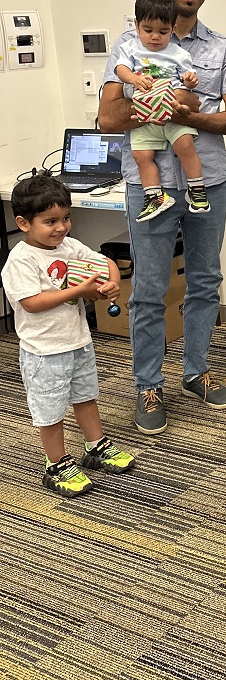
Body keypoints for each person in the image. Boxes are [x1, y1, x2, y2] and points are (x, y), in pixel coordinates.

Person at [99, 0, 226, 435]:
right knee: (148, 289)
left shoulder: (221, 49)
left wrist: (184, 112)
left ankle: (196, 371)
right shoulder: (128, 47)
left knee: (205, 281)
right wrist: (160, 101)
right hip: (150, 184)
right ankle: (148, 384)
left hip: (207, 179)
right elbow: (107, 119)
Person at [1, 176, 135, 497]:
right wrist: (78, 291)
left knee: (86, 396)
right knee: (49, 410)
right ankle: (56, 464)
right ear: (23, 223)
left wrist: (111, 282)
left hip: (78, 342)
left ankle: (95, 445)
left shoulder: (69, 247)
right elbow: (32, 303)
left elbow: (105, 262)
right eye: (51, 222)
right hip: (44, 351)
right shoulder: (21, 260)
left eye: (65, 218)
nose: (61, 227)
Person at [112, 0, 208, 222]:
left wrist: (190, 81)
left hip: (172, 112)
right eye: (148, 30)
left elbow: (188, 77)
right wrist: (133, 79)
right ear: (136, 26)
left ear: (173, 29)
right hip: (144, 115)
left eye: (163, 32)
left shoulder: (178, 53)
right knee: (141, 155)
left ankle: (196, 189)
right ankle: (155, 196)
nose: (155, 37)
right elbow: (120, 69)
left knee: (186, 146)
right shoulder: (130, 47)